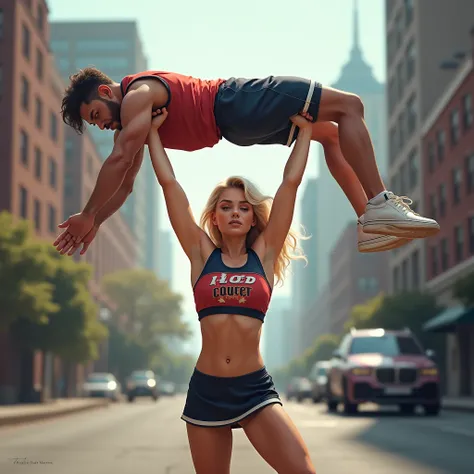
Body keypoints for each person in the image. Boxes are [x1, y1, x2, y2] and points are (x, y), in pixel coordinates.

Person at [53, 67, 439, 256]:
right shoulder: (131, 128)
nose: (102, 126)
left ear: (106, 92)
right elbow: (125, 179)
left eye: (96, 115)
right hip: (235, 117)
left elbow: (122, 166)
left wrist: (90, 215)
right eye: (95, 123)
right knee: (351, 106)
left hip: (234, 107)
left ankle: (370, 219)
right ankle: (378, 206)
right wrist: (94, 220)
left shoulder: (137, 94)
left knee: (333, 132)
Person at [145, 107, 316, 474]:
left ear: (253, 216)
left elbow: (289, 186)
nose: (235, 213)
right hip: (207, 389)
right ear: (215, 217)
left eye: (243, 207)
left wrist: (305, 134)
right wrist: (152, 135)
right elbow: (170, 186)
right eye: (226, 207)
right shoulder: (201, 254)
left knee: (302, 471)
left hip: (254, 388)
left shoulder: (264, 255)